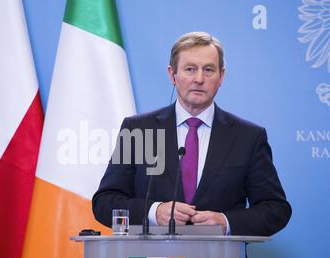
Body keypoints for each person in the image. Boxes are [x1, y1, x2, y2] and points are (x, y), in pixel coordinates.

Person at [92, 31, 291, 236]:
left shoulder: (248, 137)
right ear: (172, 75)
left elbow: (276, 209)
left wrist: (226, 222)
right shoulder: (140, 130)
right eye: (190, 69)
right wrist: (154, 212)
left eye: (208, 70)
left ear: (221, 76)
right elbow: (105, 203)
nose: (199, 79)